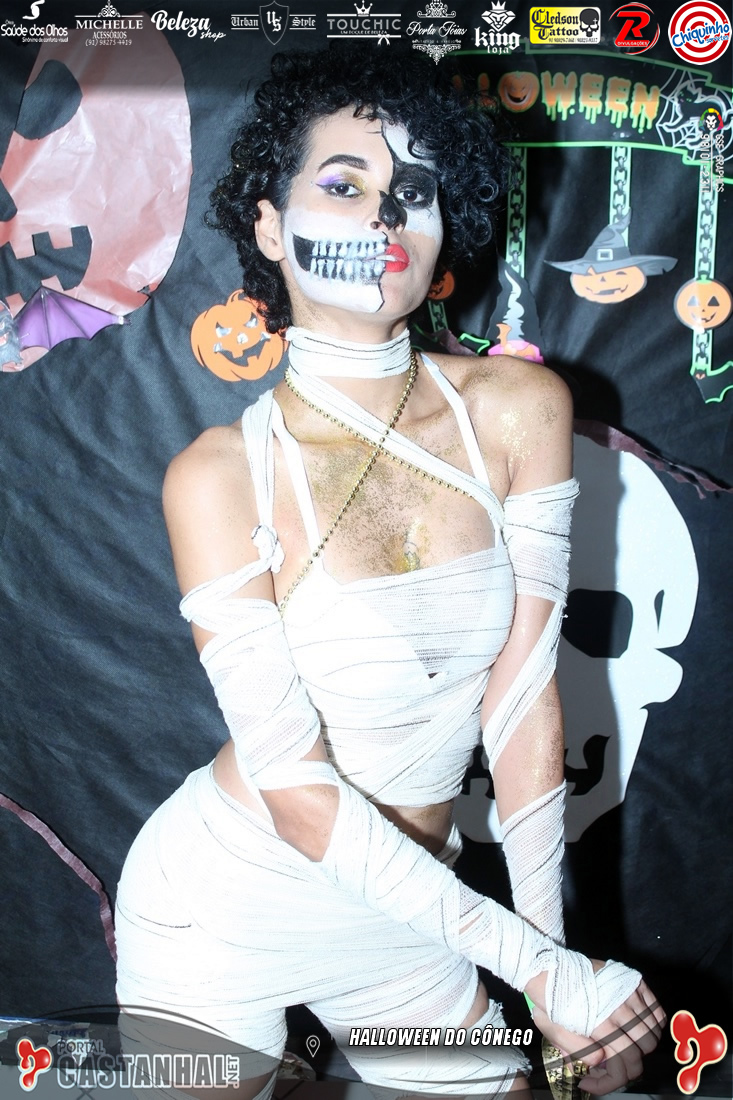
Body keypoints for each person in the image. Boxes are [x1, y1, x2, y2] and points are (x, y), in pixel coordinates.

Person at [115, 47, 665, 1100]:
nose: (383, 216)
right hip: (218, 917)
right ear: (269, 228)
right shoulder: (219, 476)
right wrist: (539, 969)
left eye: (413, 192)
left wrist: (556, 978)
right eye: (343, 185)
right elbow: (297, 794)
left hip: (409, 929)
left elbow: (522, 698)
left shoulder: (519, 409)